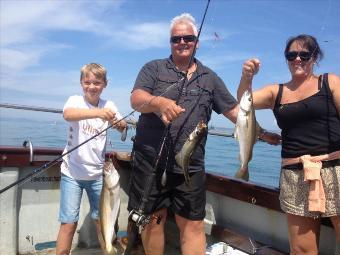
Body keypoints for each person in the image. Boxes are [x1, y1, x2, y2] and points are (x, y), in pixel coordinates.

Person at [127, 13, 280, 255]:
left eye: (188, 37)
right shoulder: (153, 68)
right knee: (152, 221)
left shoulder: (210, 78)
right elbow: (136, 99)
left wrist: (261, 134)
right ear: (170, 42)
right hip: (150, 160)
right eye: (176, 38)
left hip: (191, 166)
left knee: (193, 224)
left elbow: (236, 113)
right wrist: (159, 103)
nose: (182, 42)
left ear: (196, 41)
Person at [238, 34, 340, 254]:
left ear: (315, 57)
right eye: (292, 54)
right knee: (302, 249)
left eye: (304, 54)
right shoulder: (277, 91)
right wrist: (247, 77)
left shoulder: (330, 81)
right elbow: (244, 103)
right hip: (295, 175)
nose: (298, 59)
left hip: (335, 170)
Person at [56, 63, 127, 255]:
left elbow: (121, 125)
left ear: (105, 84)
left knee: (102, 222)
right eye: (87, 82)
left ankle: (109, 251)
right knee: (68, 223)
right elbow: (68, 114)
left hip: (98, 176)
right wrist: (97, 113)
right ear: (81, 83)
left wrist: (121, 125)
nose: (92, 86)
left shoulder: (109, 105)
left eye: (97, 82)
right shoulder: (75, 101)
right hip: (71, 172)